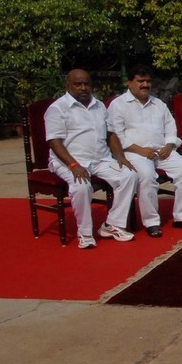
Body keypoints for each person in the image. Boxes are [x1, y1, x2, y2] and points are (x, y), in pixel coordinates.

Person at [45, 69, 137, 249]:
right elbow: (54, 142)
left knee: (130, 175)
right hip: (69, 161)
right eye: (78, 84)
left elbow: (110, 133)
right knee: (81, 186)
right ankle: (85, 233)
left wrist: (120, 156)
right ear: (68, 86)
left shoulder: (99, 106)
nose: (83, 88)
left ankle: (112, 225)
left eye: (86, 84)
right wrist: (73, 165)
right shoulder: (57, 108)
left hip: (100, 159)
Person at [108, 65, 182, 237]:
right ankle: (152, 222)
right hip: (133, 152)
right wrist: (140, 150)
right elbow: (117, 136)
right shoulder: (118, 105)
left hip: (161, 151)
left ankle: (181, 215)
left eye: (148, 81)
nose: (145, 85)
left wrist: (169, 146)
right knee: (147, 175)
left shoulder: (158, 104)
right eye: (140, 81)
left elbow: (171, 128)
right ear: (129, 82)